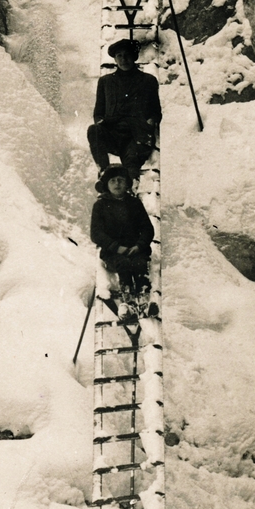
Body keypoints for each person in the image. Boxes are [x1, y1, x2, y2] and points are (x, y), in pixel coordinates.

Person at [87, 40, 161, 183]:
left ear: (134, 57)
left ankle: (130, 190)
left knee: (131, 167)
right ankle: (104, 173)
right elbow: (98, 112)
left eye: (127, 55)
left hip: (137, 135)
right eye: (119, 56)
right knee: (93, 130)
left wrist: (150, 121)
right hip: (114, 134)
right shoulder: (105, 82)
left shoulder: (148, 80)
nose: (123, 59)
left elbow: (156, 111)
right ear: (114, 59)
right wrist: (101, 122)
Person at [90, 166, 155, 310]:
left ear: (126, 184)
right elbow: (96, 233)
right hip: (113, 252)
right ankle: (128, 302)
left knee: (139, 263)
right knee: (123, 264)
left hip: (135, 248)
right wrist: (116, 247)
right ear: (107, 185)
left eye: (120, 180)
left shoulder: (135, 203)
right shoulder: (100, 206)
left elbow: (147, 228)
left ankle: (144, 301)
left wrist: (139, 245)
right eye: (112, 181)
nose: (117, 183)